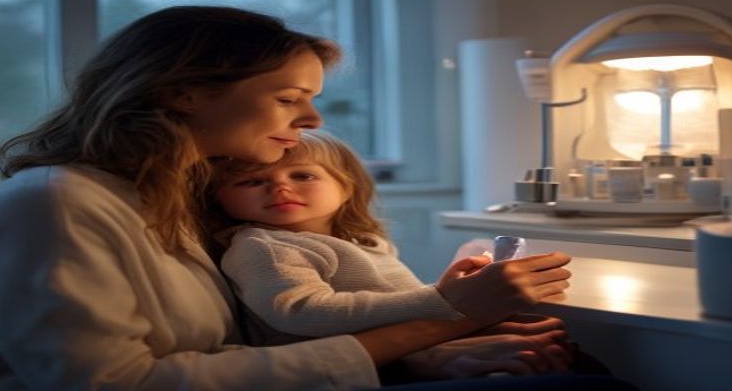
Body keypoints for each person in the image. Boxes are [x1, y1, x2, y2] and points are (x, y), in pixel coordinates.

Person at [0, 6, 658, 391]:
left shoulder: (171, 203)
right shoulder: (55, 204)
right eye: (287, 98)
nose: (310, 118)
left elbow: (238, 349)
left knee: (572, 382)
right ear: (185, 93)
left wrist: (431, 361)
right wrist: (444, 319)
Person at [208, 130, 572, 372]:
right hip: (338, 369)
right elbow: (301, 312)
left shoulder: (362, 242)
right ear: (220, 198)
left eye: (302, 175)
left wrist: (456, 296)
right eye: (252, 181)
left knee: (557, 345)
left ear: (346, 186)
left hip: (400, 349)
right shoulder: (263, 247)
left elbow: (396, 301)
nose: (280, 189)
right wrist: (439, 299)